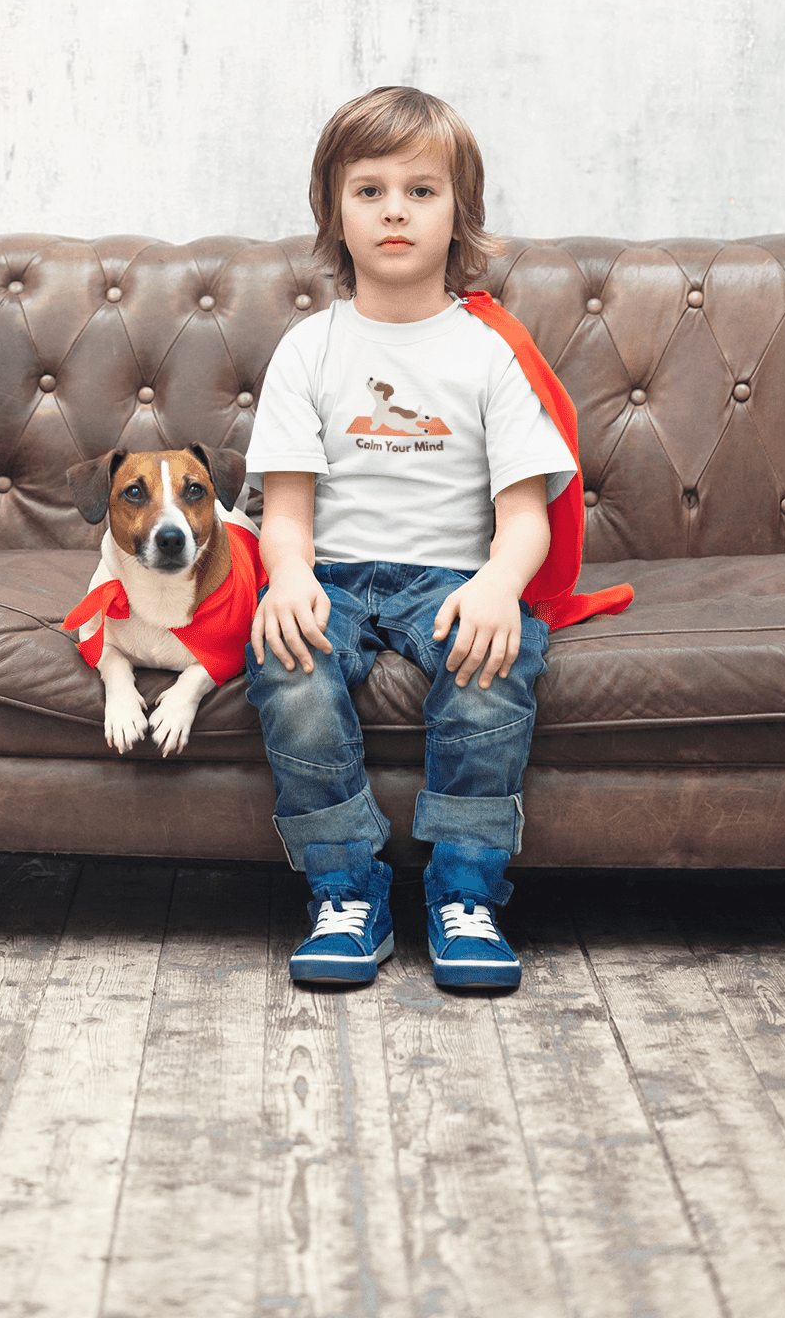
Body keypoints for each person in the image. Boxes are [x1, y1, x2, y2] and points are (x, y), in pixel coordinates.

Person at [244, 85, 630, 991]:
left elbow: (525, 517)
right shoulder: (309, 348)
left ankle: (467, 893)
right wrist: (290, 577)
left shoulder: (489, 351)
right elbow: (286, 512)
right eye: (368, 189)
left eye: (420, 191)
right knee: (288, 666)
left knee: (491, 671)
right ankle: (345, 888)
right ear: (332, 213)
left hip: (454, 577)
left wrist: (499, 586)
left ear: (459, 213)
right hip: (333, 573)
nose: (393, 211)